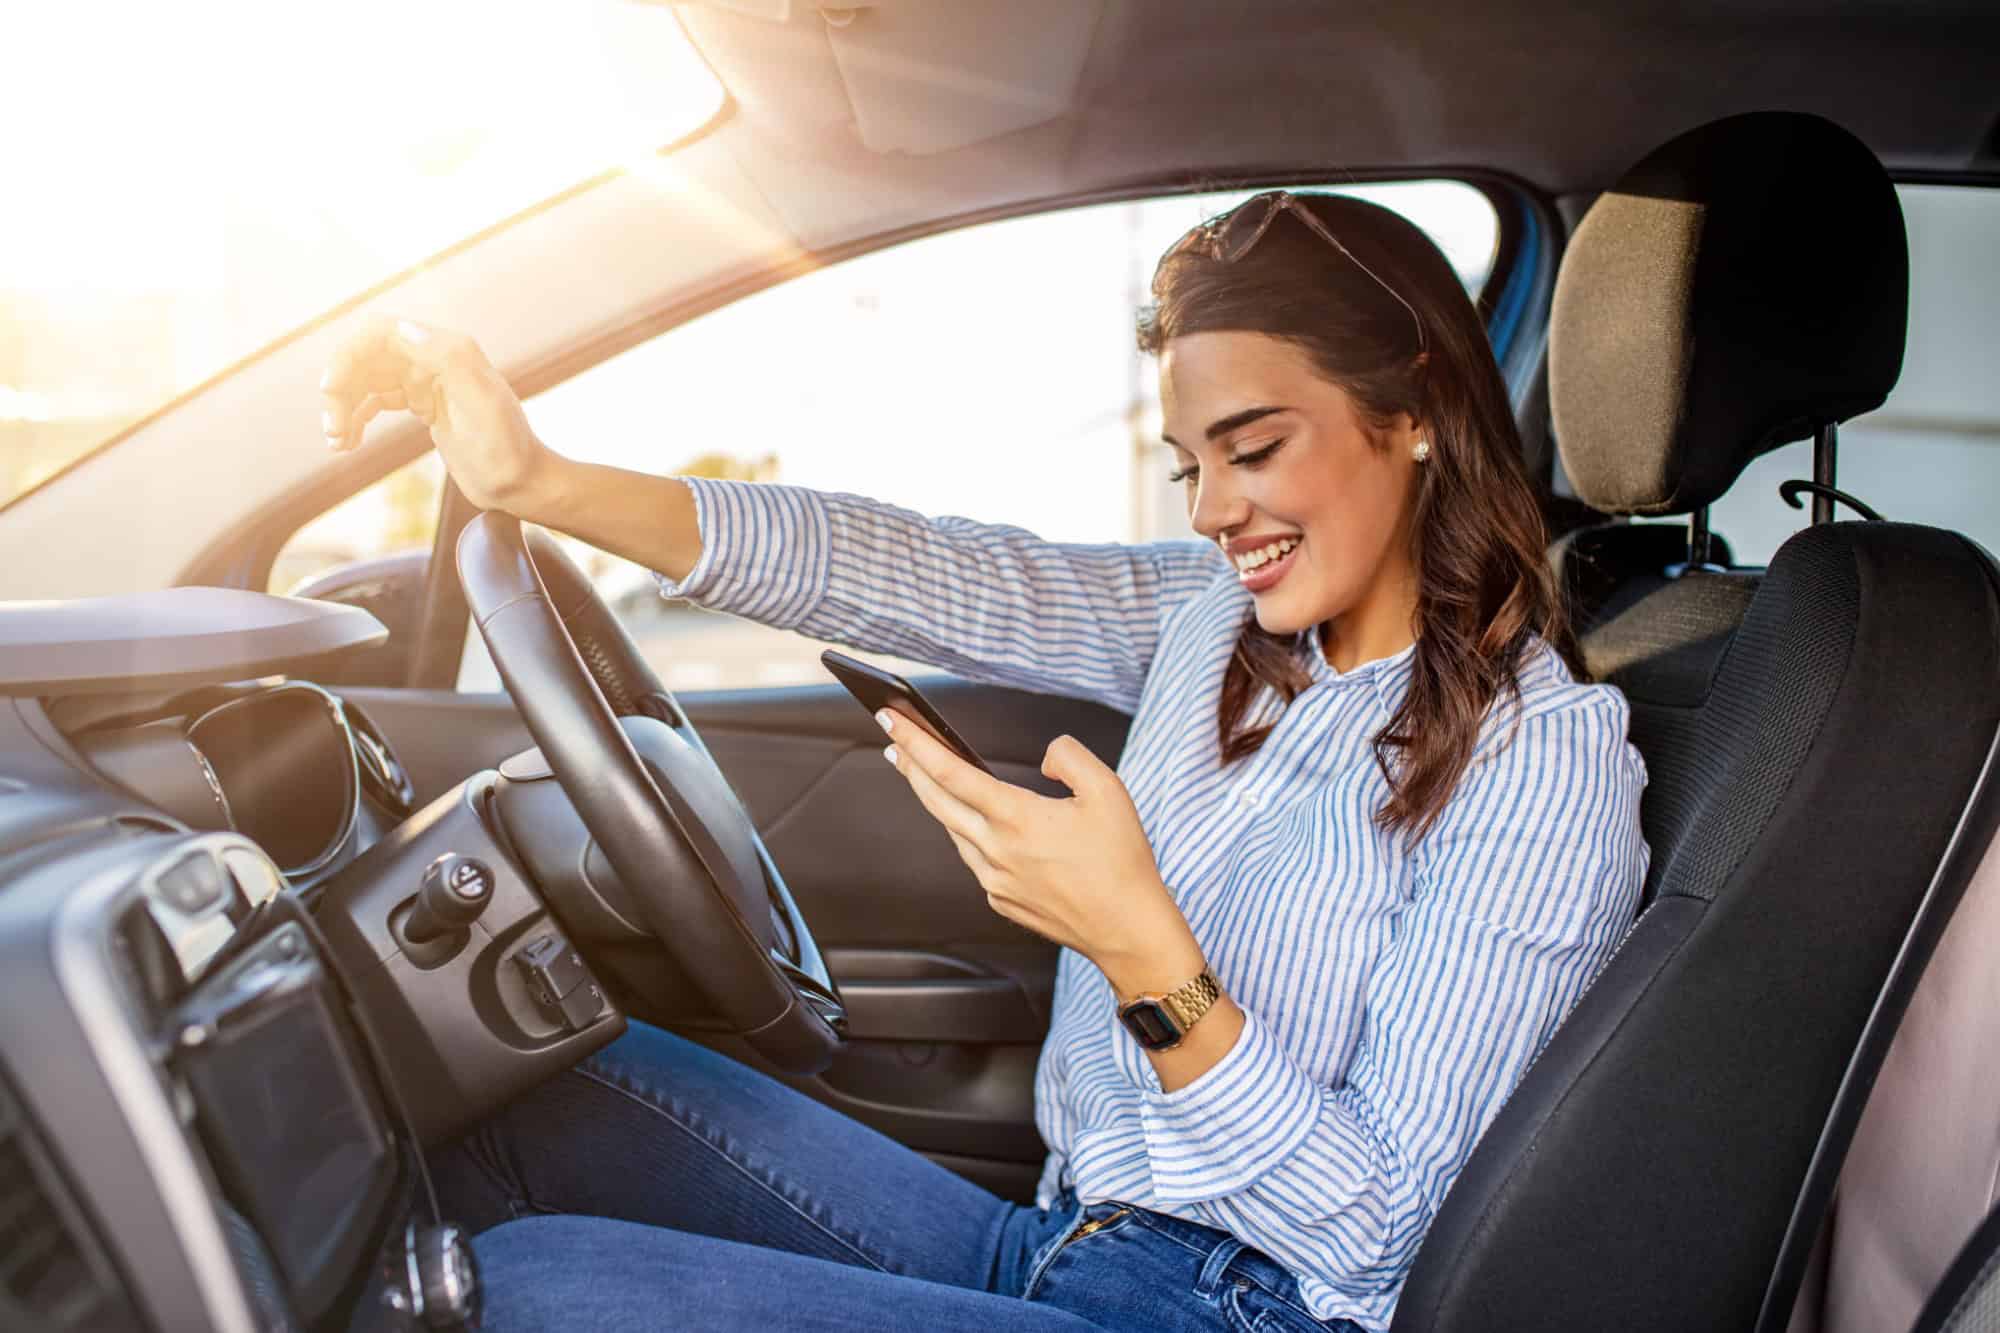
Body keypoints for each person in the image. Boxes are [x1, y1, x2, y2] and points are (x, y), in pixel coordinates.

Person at [320, 190, 1649, 1333]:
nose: (1211, 509)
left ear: (1413, 411)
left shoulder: (1544, 762)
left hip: (1250, 1308)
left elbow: (1375, 1225)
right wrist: (542, 482)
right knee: (522, 1089)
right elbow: (923, 570)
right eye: (1189, 465)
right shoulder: (1214, 621)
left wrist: (1139, 949)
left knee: (529, 1294)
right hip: (1060, 1240)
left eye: (1253, 449)